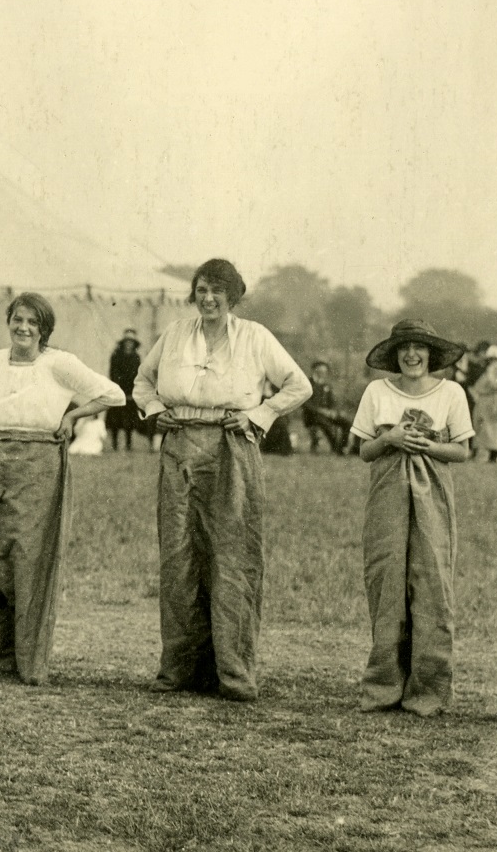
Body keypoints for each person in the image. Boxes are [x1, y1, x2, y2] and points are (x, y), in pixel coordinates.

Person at [133, 258, 312, 702]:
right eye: (201, 290)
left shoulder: (254, 337)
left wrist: (260, 414)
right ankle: (179, 670)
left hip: (232, 448)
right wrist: (158, 411)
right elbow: (142, 381)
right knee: (179, 557)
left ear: (233, 296)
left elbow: (298, 385)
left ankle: (233, 673)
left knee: (232, 557)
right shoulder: (175, 334)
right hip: (179, 448)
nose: (208, 298)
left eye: (217, 291)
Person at [0, 292, 124, 684]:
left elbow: (113, 394)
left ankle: (29, 661)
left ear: (44, 329)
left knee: (29, 559)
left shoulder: (59, 363)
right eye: (18, 320)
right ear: (9, 322)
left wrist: (74, 414)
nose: (23, 328)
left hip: (39, 462)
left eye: (32, 322)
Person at [349, 320, 473, 716]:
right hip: (387, 491)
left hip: (433, 493)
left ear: (431, 353)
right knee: (387, 580)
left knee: (431, 580)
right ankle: (384, 686)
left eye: (419, 347)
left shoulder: (451, 392)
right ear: (394, 354)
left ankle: (428, 690)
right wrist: (389, 439)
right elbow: (365, 451)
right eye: (404, 348)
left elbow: (463, 450)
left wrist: (428, 445)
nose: (412, 355)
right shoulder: (376, 392)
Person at [470, 347, 497, 463]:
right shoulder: (487, 371)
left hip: (496, 403)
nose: (494, 362)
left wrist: (491, 374)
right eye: (491, 359)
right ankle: (485, 454)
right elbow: (478, 387)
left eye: (496, 359)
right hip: (485, 403)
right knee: (484, 429)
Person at [301, 360, 350, 455]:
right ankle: (336, 448)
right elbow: (306, 404)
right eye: (320, 371)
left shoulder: (326, 385)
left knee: (347, 423)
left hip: (326, 414)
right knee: (324, 423)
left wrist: (334, 411)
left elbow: (332, 402)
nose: (323, 374)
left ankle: (342, 447)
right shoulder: (307, 384)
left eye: (324, 372)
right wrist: (321, 411)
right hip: (312, 416)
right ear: (314, 371)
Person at [107, 330, 144, 451]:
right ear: (123, 343)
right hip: (118, 391)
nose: (129, 344)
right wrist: (119, 391)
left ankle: (128, 444)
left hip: (131, 393)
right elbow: (113, 374)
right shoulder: (116, 356)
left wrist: (133, 392)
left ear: (134, 344)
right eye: (127, 341)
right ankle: (115, 444)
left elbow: (138, 375)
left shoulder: (136, 358)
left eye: (131, 342)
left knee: (130, 420)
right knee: (115, 420)